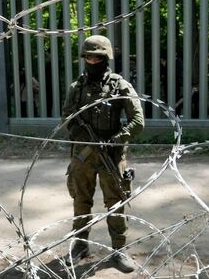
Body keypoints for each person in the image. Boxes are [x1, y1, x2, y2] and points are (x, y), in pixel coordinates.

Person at [61, 35, 144, 272]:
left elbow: (138, 121)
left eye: (97, 56)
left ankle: (119, 251)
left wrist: (115, 140)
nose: (92, 60)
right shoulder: (76, 88)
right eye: (88, 56)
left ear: (106, 57)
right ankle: (79, 246)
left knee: (116, 204)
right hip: (83, 155)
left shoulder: (120, 86)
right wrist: (82, 135)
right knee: (80, 201)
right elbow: (67, 117)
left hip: (111, 155)